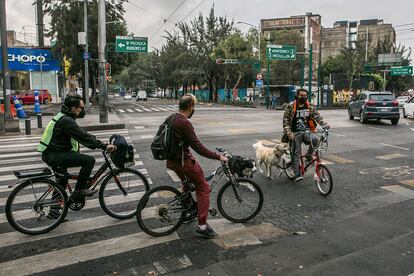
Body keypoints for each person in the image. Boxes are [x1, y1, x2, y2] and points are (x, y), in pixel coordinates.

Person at [166, 93, 228, 238]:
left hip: (172, 161)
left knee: (186, 185)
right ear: (190, 107)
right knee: (203, 188)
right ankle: (202, 226)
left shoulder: (172, 117)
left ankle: (188, 211)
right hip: (183, 162)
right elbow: (198, 147)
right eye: (194, 107)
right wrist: (218, 156)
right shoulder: (184, 122)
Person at [38, 95, 117, 201]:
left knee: (62, 182)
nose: (83, 110)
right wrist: (103, 146)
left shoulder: (64, 117)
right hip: (54, 155)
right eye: (81, 108)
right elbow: (82, 136)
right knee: (89, 161)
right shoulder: (66, 120)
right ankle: (79, 190)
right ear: (73, 108)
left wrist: (100, 143)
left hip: (52, 153)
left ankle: (55, 213)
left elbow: (81, 134)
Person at [282, 89, 330, 182]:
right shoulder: (291, 106)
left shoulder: (310, 106)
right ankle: (296, 173)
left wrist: (324, 124)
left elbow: (317, 116)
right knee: (296, 152)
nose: (303, 97)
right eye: (301, 95)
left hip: (307, 131)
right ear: (297, 96)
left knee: (315, 140)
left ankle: (308, 155)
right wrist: (289, 133)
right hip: (294, 132)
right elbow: (285, 121)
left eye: (305, 95)